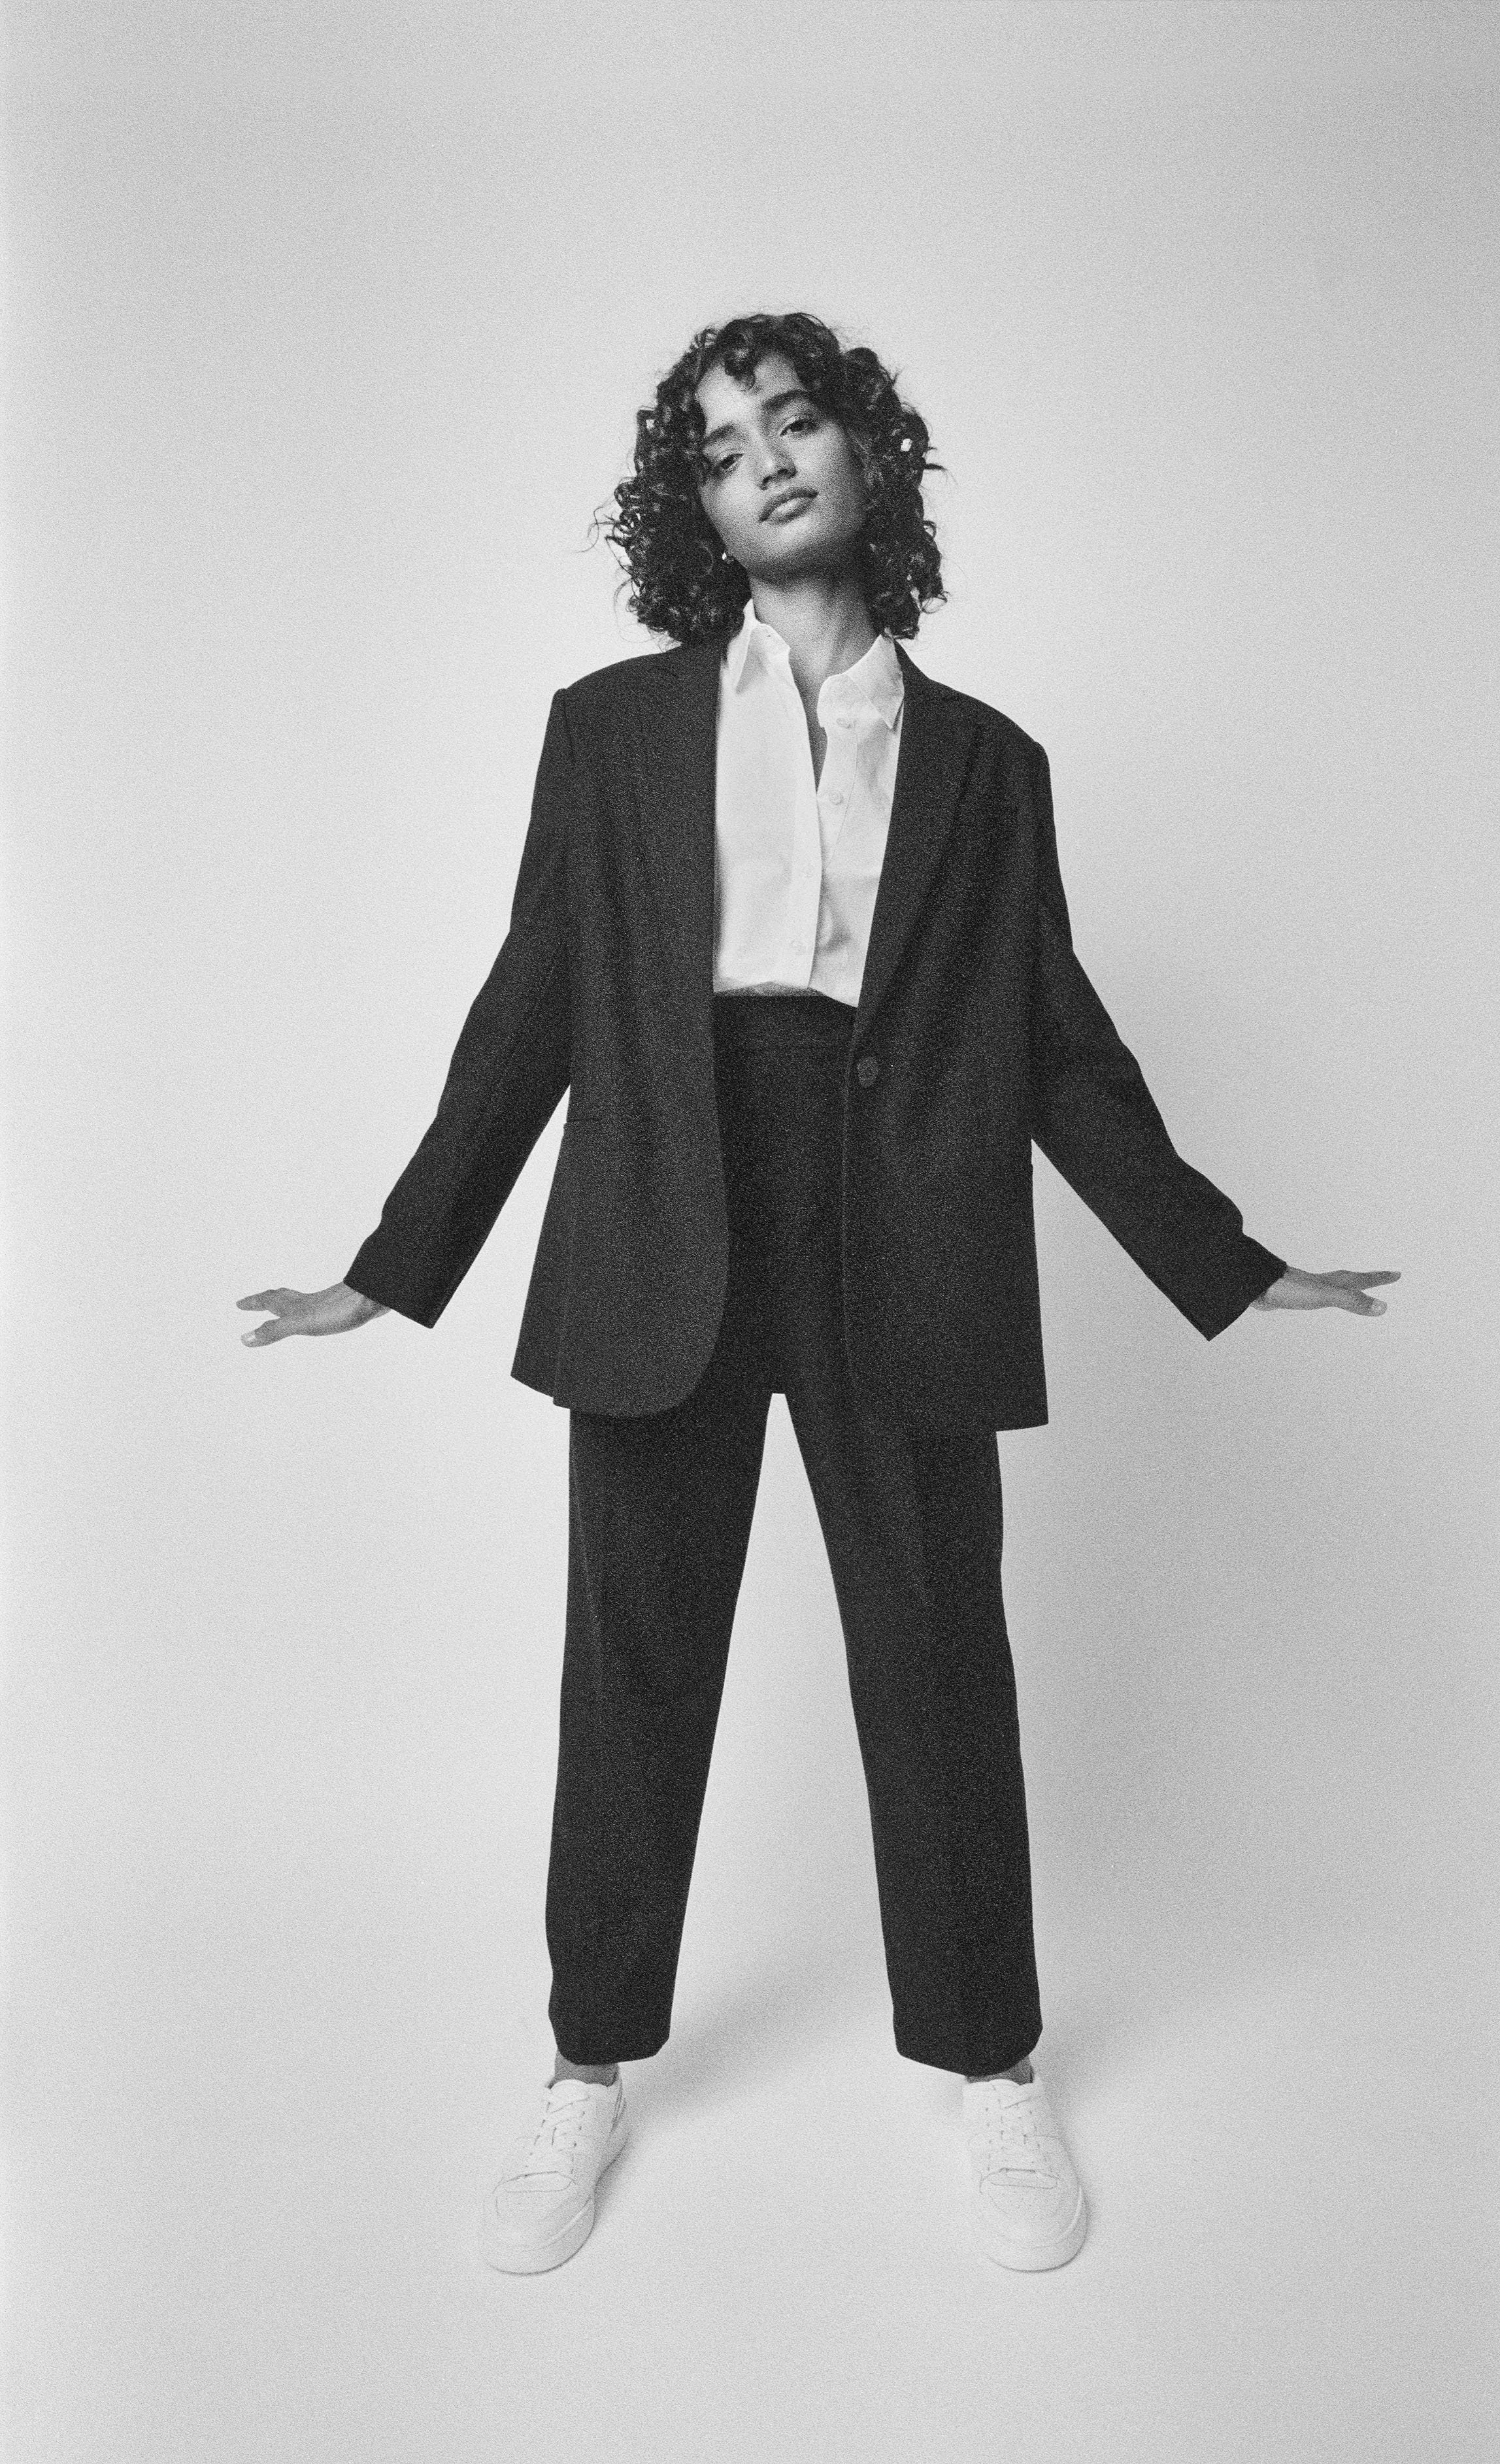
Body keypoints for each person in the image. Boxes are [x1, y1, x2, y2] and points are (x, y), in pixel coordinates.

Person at [239, 309, 1397, 2276]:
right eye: (714, 447)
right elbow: (530, 1001)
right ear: (688, 508)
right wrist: (396, 1260)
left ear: (864, 454)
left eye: (791, 422)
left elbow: (1051, 1041)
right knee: (632, 1677)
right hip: (664, 1218)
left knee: (939, 1662)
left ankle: (988, 2067)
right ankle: (585, 2073)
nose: (760, 459)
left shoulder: (984, 765)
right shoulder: (607, 728)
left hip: (908, 1223)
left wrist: (1222, 1258)